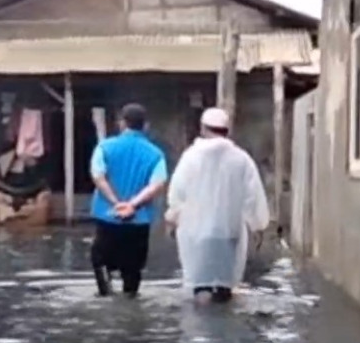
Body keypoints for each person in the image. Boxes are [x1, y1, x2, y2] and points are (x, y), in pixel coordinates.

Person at [165, 107, 269, 303]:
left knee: (199, 284)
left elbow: (177, 194)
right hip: (228, 231)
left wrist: (172, 219)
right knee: (224, 284)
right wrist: (257, 225)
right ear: (227, 130)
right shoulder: (241, 159)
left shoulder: (190, 157)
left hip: (195, 232)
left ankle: (201, 327)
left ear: (203, 129)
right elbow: (252, 196)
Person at [89, 103, 169, 298]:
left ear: (122, 123)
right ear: (146, 126)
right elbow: (157, 184)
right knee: (132, 271)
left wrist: (116, 203)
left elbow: (98, 176)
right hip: (138, 222)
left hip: (107, 217)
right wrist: (132, 205)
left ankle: (105, 295)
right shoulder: (155, 154)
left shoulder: (104, 147)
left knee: (100, 261)